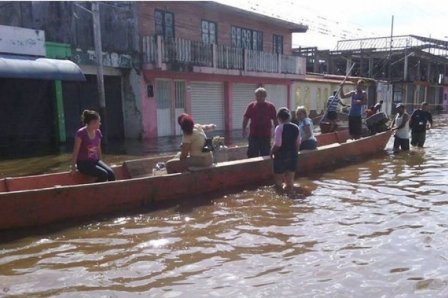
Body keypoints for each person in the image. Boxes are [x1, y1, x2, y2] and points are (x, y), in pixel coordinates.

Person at [71, 110, 115, 182]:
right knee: (103, 174)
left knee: (111, 173)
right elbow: (75, 151)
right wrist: (73, 167)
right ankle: (93, 190)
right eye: (98, 122)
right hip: (83, 163)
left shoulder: (98, 132)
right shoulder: (81, 133)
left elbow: (98, 149)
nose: (100, 124)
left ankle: (110, 191)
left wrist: (102, 162)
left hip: (95, 161)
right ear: (92, 122)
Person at [270, 108, 300, 192]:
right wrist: (295, 154)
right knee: (290, 182)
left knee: (278, 182)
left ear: (279, 118)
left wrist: (271, 152)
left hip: (281, 156)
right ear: (289, 117)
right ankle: (290, 195)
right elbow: (297, 144)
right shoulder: (296, 127)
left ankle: (281, 199)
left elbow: (278, 144)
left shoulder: (279, 128)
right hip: (292, 156)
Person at [242, 87, 278, 158]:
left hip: (265, 136)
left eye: (260, 96)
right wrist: (244, 129)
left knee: (266, 155)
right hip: (253, 135)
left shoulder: (270, 107)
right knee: (252, 155)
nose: (258, 98)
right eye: (257, 96)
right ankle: (252, 169)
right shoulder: (251, 106)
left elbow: (275, 120)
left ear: (265, 96)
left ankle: (265, 169)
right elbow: (246, 118)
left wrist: (277, 132)